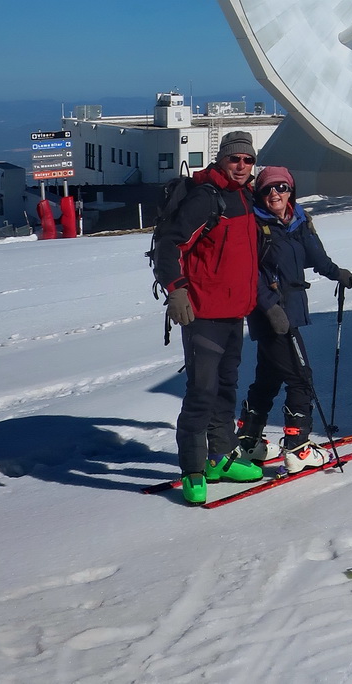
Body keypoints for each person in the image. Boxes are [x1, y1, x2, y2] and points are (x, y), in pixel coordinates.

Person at [152, 130, 265, 505]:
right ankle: (193, 469)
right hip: (203, 313)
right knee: (201, 392)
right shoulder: (206, 198)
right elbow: (169, 244)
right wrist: (177, 289)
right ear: (221, 160)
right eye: (235, 159)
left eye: (248, 160)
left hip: (235, 312)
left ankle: (221, 456)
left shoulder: (245, 197)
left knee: (226, 387)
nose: (241, 166)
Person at [237, 165, 352, 474]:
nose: (275, 193)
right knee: (300, 377)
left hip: (290, 308)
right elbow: (249, 275)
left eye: (281, 187)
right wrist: (271, 308)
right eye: (267, 189)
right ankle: (297, 448)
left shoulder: (298, 219)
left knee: (269, 377)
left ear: (291, 190)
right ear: (259, 195)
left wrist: (337, 273)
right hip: (271, 314)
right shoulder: (253, 225)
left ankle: (248, 442)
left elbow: (315, 257)